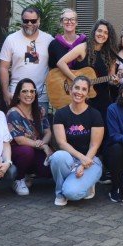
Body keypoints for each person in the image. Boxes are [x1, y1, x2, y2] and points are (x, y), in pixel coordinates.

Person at [48, 76, 104, 206]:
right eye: (77, 87)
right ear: (70, 89)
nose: (79, 92)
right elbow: (61, 143)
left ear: (87, 93)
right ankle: (60, 194)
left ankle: (85, 184)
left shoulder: (95, 115)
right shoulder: (61, 114)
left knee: (72, 193)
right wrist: (80, 158)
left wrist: (84, 164)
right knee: (57, 156)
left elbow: (94, 145)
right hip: (69, 160)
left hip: (90, 160)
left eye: (84, 89)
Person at [57, 19, 118, 120]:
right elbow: (61, 63)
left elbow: (111, 78)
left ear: (109, 36)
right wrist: (76, 80)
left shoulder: (111, 54)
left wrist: (114, 81)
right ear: (94, 32)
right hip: (81, 98)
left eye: (106, 32)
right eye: (99, 31)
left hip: (102, 98)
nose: (102, 34)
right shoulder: (83, 48)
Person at [0, 6, 54, 110]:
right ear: (22, 20)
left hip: (41, 96)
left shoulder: (49, 40)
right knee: (17, 126)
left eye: (33, 21)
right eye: (26, 20)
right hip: (16, 94)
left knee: (40, 126)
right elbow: (3, 67)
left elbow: (54, 67)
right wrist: (6, 93)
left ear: (39, 21)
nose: (29, 24)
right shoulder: (11, 39)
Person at [6, 78, 53, 196]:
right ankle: (18, 179)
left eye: (32, 91)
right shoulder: (13, 113)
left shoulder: (40, 110)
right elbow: (20, 140)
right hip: (18, 150)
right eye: (25, 91)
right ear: (17, 95)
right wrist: (43, 146)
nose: (29, 94)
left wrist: (43, 144)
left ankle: (29, 173)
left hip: (37, 146)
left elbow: (48, 132)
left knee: (48, 170)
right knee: (27, 152)